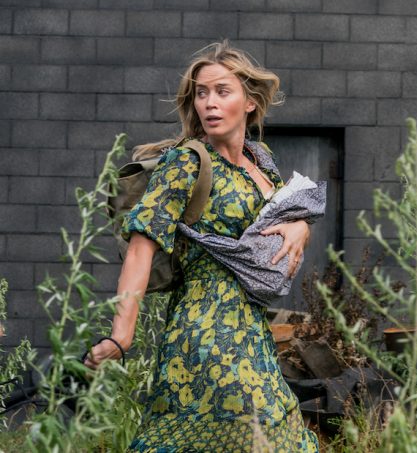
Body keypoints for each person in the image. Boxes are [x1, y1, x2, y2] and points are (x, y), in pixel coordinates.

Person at [85, 41, 320, 451]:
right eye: (201, 93)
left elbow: (285, 219)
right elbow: (141, 249)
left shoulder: (261, 161)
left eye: (222, 91)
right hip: (204, 331)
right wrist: (122, 336)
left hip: (251, 330)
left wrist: (301, 227)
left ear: (249, 102)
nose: (209, 103)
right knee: (265, 435)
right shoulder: (186, 164)